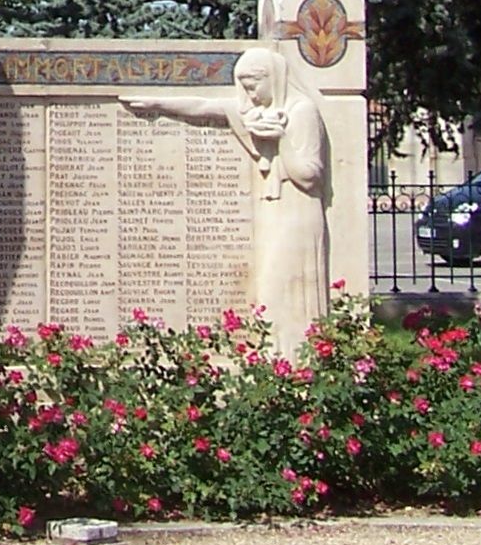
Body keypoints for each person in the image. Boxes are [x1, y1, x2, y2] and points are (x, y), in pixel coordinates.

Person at [121, 45, 330, 359]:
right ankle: (276, 363)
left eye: (254, 85)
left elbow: (309, 176)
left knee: (286, 287)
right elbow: (208, 107)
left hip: (298, 214)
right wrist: (158, 103)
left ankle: (299, 361)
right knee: (269, 293)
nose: (250, 94)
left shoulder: (301, 111)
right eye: (244, 87)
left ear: (272, 78)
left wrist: (280, 139)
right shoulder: (259, 113)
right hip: (274, 211)